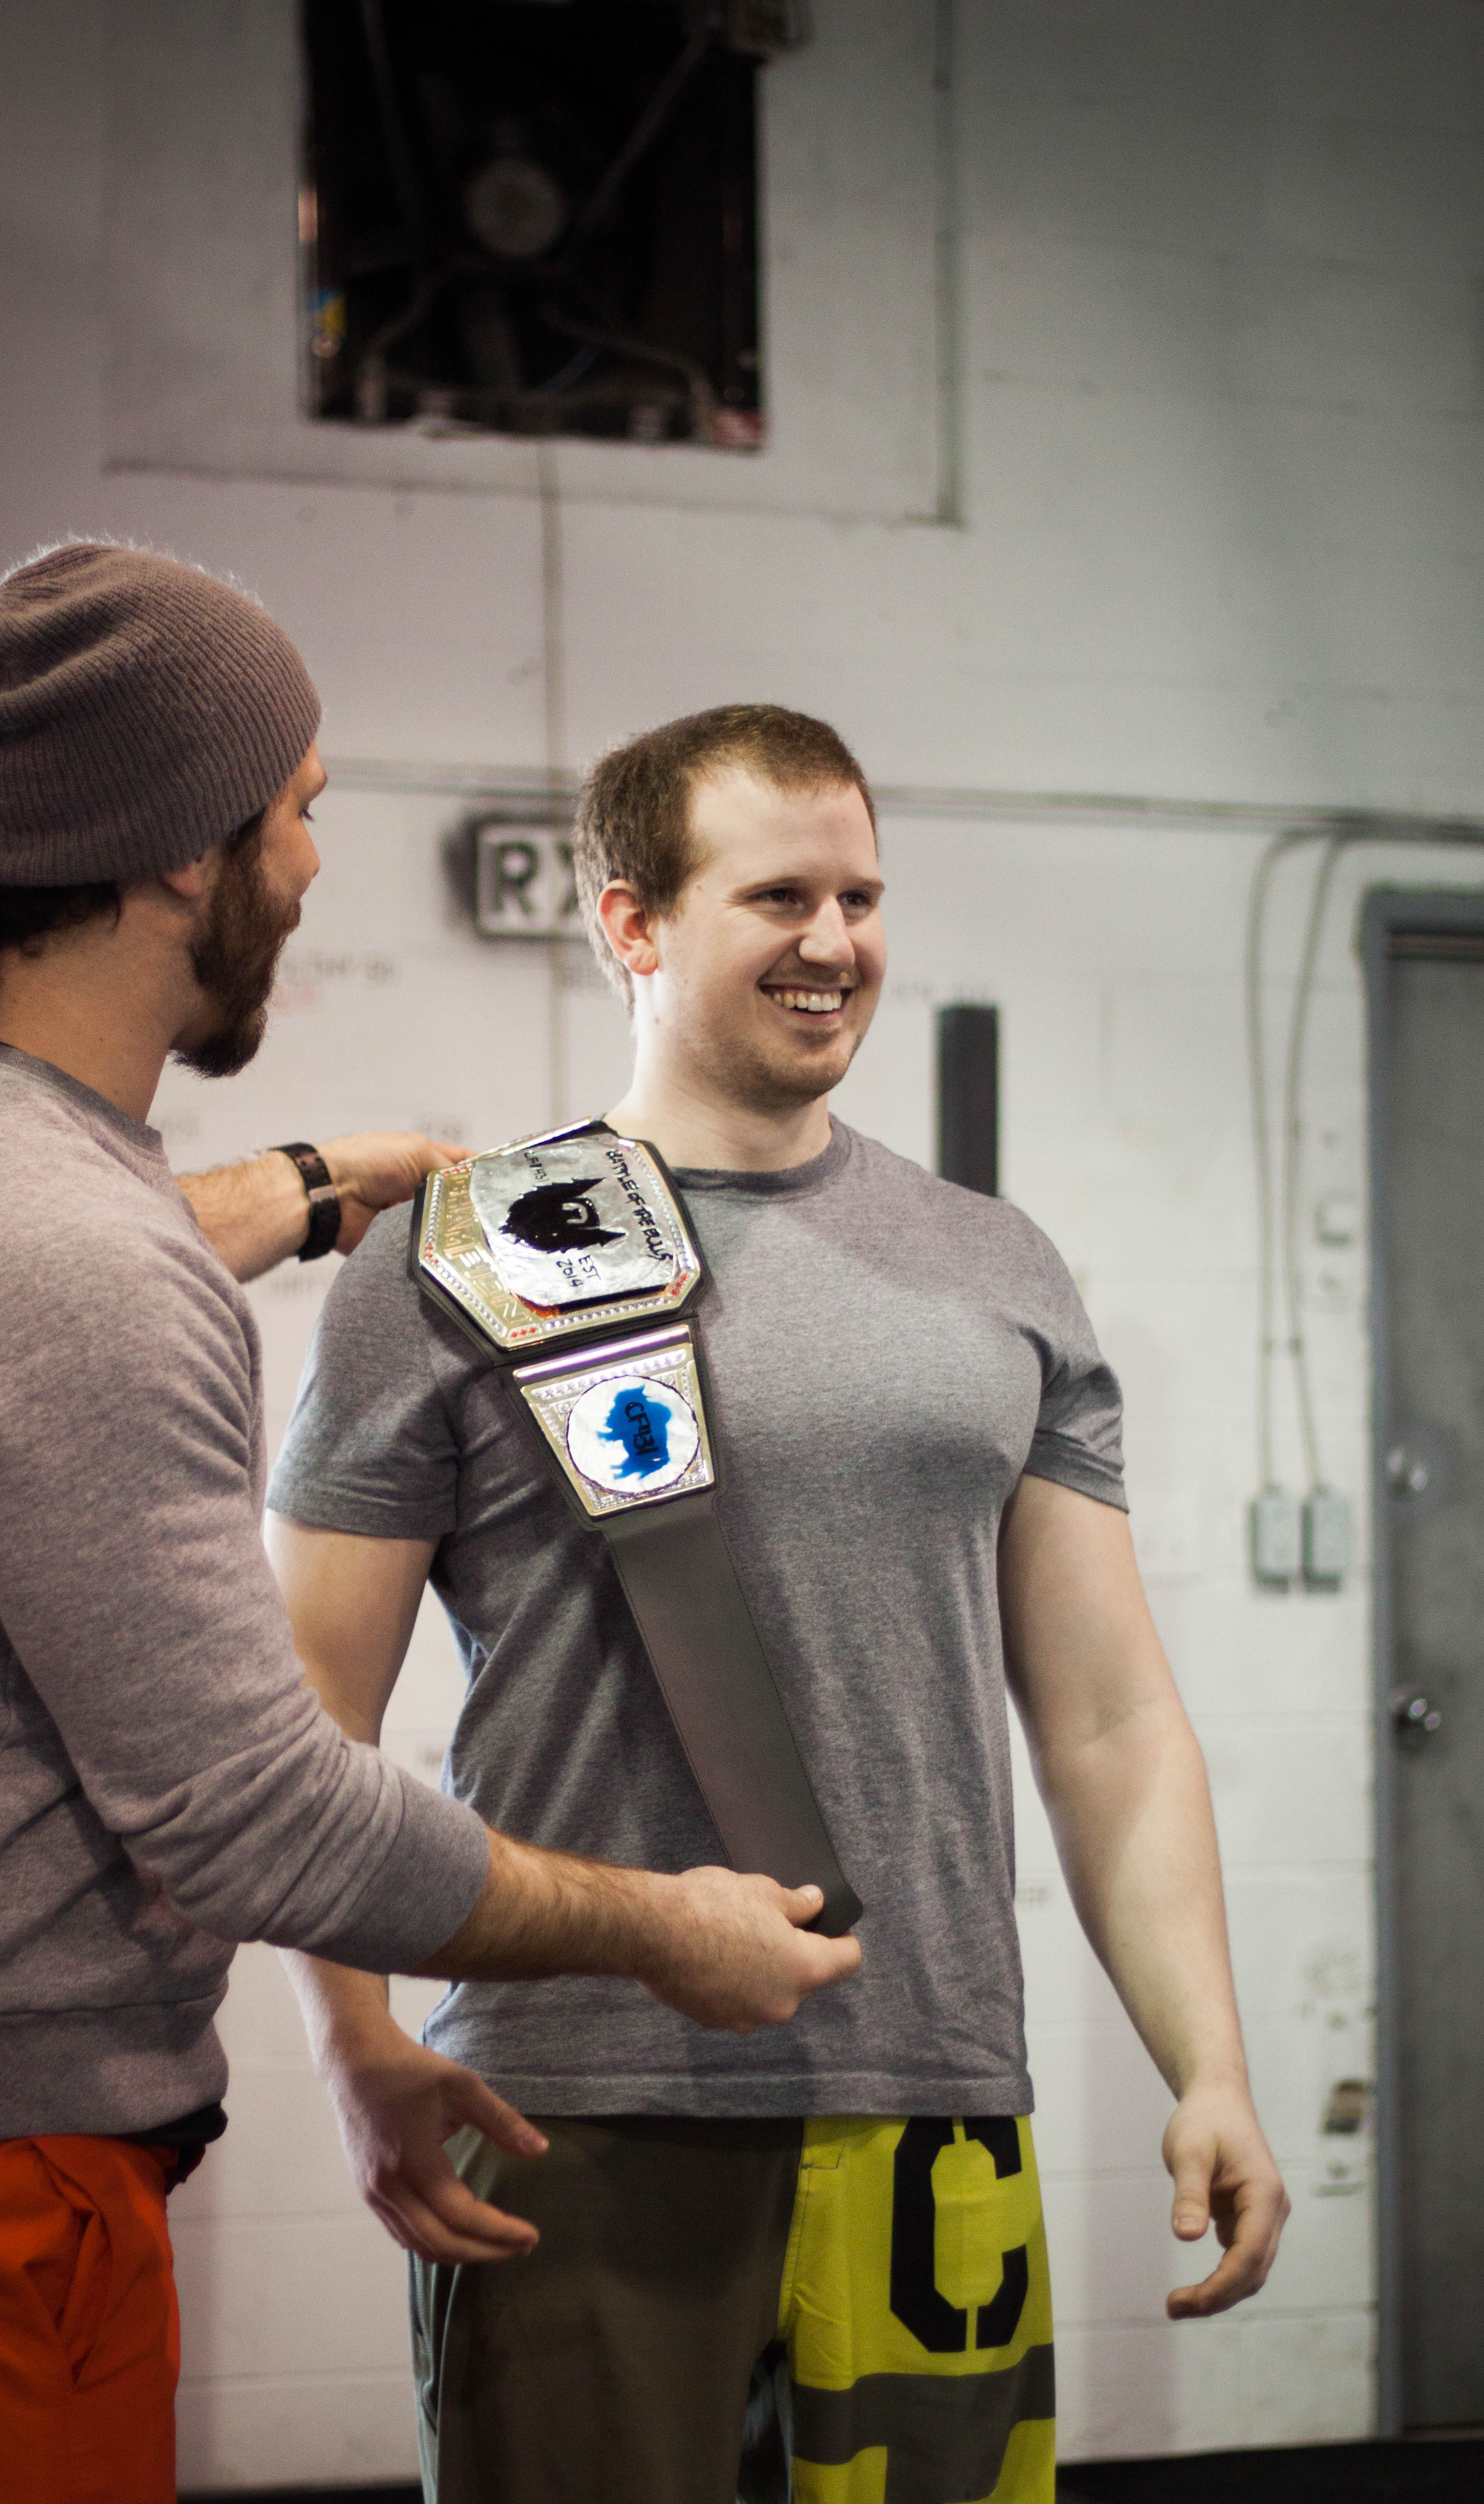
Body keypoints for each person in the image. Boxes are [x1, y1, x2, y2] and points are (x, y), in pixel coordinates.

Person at [0, 564, 858, 2504]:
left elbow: (0, 1280)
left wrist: (305, 1184)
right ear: (180, 854)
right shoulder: (65, 1261)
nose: (310, 863)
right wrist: (663, 1930)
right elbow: (253, 1820)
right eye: (296, 810)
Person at [265, 704, 1291, 2504]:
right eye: (779, 897)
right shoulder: (459, 1255)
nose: (835, 942)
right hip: (577, 2103)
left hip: (936, 2098)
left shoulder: (998, 1265)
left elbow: (1112, 1719)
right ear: (632, 922)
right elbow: (301, 1724)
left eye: (862, 898)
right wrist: (353, 2045)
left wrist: (1210, 2063)